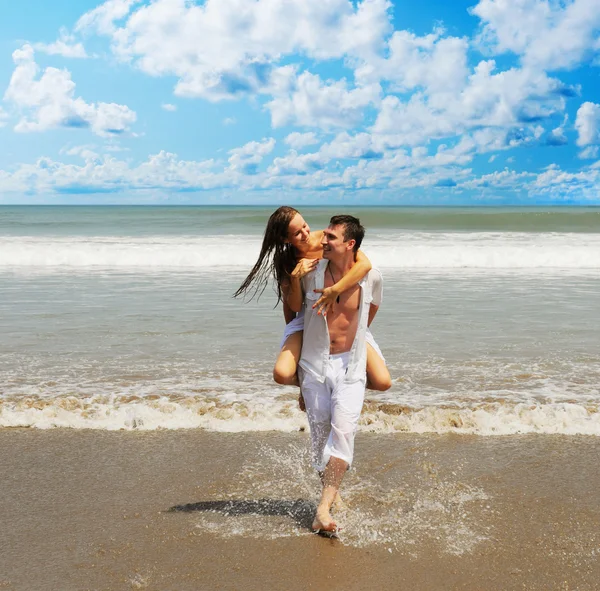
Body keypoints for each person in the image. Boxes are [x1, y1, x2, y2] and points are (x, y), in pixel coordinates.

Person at [234, 206, 391, 398]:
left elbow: (365, 265)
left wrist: (335, 291)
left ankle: (343, 385)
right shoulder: (287, 260)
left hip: (345, 320)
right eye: (297, 233)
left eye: (305, 226)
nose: (305, 233)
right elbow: (291, 307)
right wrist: (294, 278)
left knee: (383, 382)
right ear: (285, 239)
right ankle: (309, 386)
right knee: (282, 374)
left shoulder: (326, 241)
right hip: (308, 316)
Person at [297, 215, 382, 533]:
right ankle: (332, 496)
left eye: (331, 237)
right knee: (320, 438)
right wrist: (297, 383)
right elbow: (295, 318)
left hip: (350, 366)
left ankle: (321, 509)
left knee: (343, 432)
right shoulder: (311, 274)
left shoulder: (371, 277)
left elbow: (370, 312)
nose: (323, 240)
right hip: (314, 365)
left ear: (350, 245)